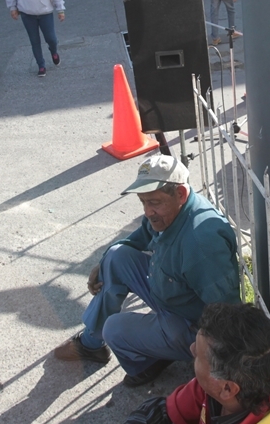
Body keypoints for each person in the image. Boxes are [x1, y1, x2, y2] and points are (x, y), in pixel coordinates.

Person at [54, 155, 241, 387]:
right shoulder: (170, 212)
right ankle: (92, 344)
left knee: (114, 329)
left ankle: (147, 361)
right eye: (143, 202)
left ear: (180, 194)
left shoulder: (202, 243)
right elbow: (141, 236)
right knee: (116, 257)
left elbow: (229, 314)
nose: (148, 211)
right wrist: (103, 262)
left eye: (154, 202)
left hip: (191, 325)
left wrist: (208, 357)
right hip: (171, 292)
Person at [120, 303, 270, 424]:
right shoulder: (243, 380)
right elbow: (165, 413)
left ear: (227, 388)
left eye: (198, 355)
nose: (191, 350)